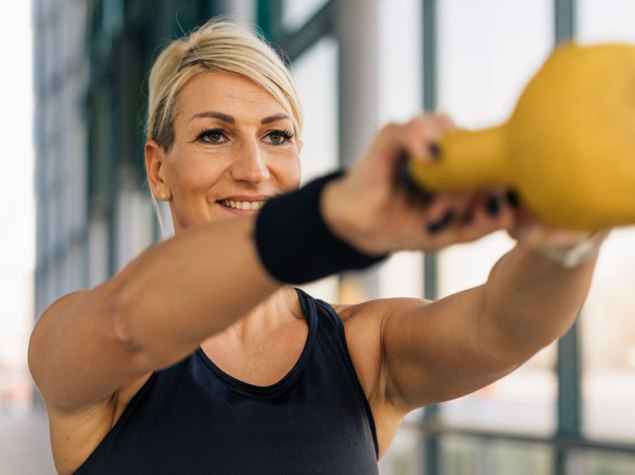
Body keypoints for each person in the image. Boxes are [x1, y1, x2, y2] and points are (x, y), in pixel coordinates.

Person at [29, 19, 605, 475]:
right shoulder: (83, 343)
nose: (255, 169)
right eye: (214, 134)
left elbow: (503, 325)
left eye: (276, 136)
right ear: (159, 169)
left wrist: (569, 227)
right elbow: (130, 322)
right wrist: (326, 223)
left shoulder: (365, 350)